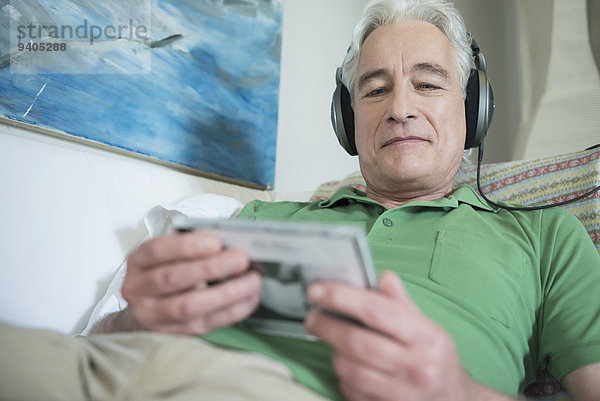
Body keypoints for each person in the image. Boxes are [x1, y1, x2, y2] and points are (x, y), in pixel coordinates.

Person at [1, 0, 599, 400]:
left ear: (472, 111)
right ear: (348, 118)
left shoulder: (544, 237)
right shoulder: (253, 218)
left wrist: (456, 390)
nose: (399, 107)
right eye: (374, 88)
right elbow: (97, 349)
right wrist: (133, 319)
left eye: (428, 82)